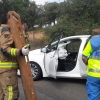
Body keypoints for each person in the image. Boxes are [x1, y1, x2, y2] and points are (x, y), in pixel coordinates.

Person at [0, 14, 29, 100]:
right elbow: (5, 49)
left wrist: (22, 32)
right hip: (7, 70)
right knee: (11, 95)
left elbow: (23, 43)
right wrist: (20, 52)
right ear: (8, 20)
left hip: (3, 71)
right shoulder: (6, 32)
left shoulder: (2, 30)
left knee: (2, 95)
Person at [82, 35, 100, 100]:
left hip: (93, 76)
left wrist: (87, 63)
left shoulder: (93, 42)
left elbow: (83, 57)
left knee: (93, 97)